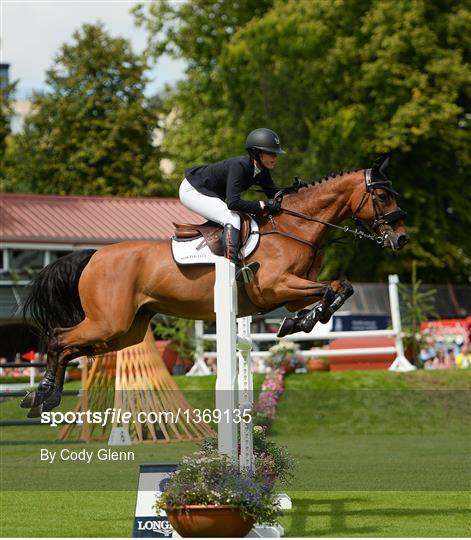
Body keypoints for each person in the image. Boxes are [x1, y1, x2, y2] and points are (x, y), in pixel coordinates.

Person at [179, 128, 285, 282]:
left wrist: (297, 191)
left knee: (239, 216)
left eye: (275, 154)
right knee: (232, 217)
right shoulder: (240, 165)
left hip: (206, 191)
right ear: (256, 153)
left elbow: (275, 195)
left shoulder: (262, 172)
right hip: (192, 190)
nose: (275, 157)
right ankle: (231, 268)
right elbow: (233, 203)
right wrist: (263, 205)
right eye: (271, 153)